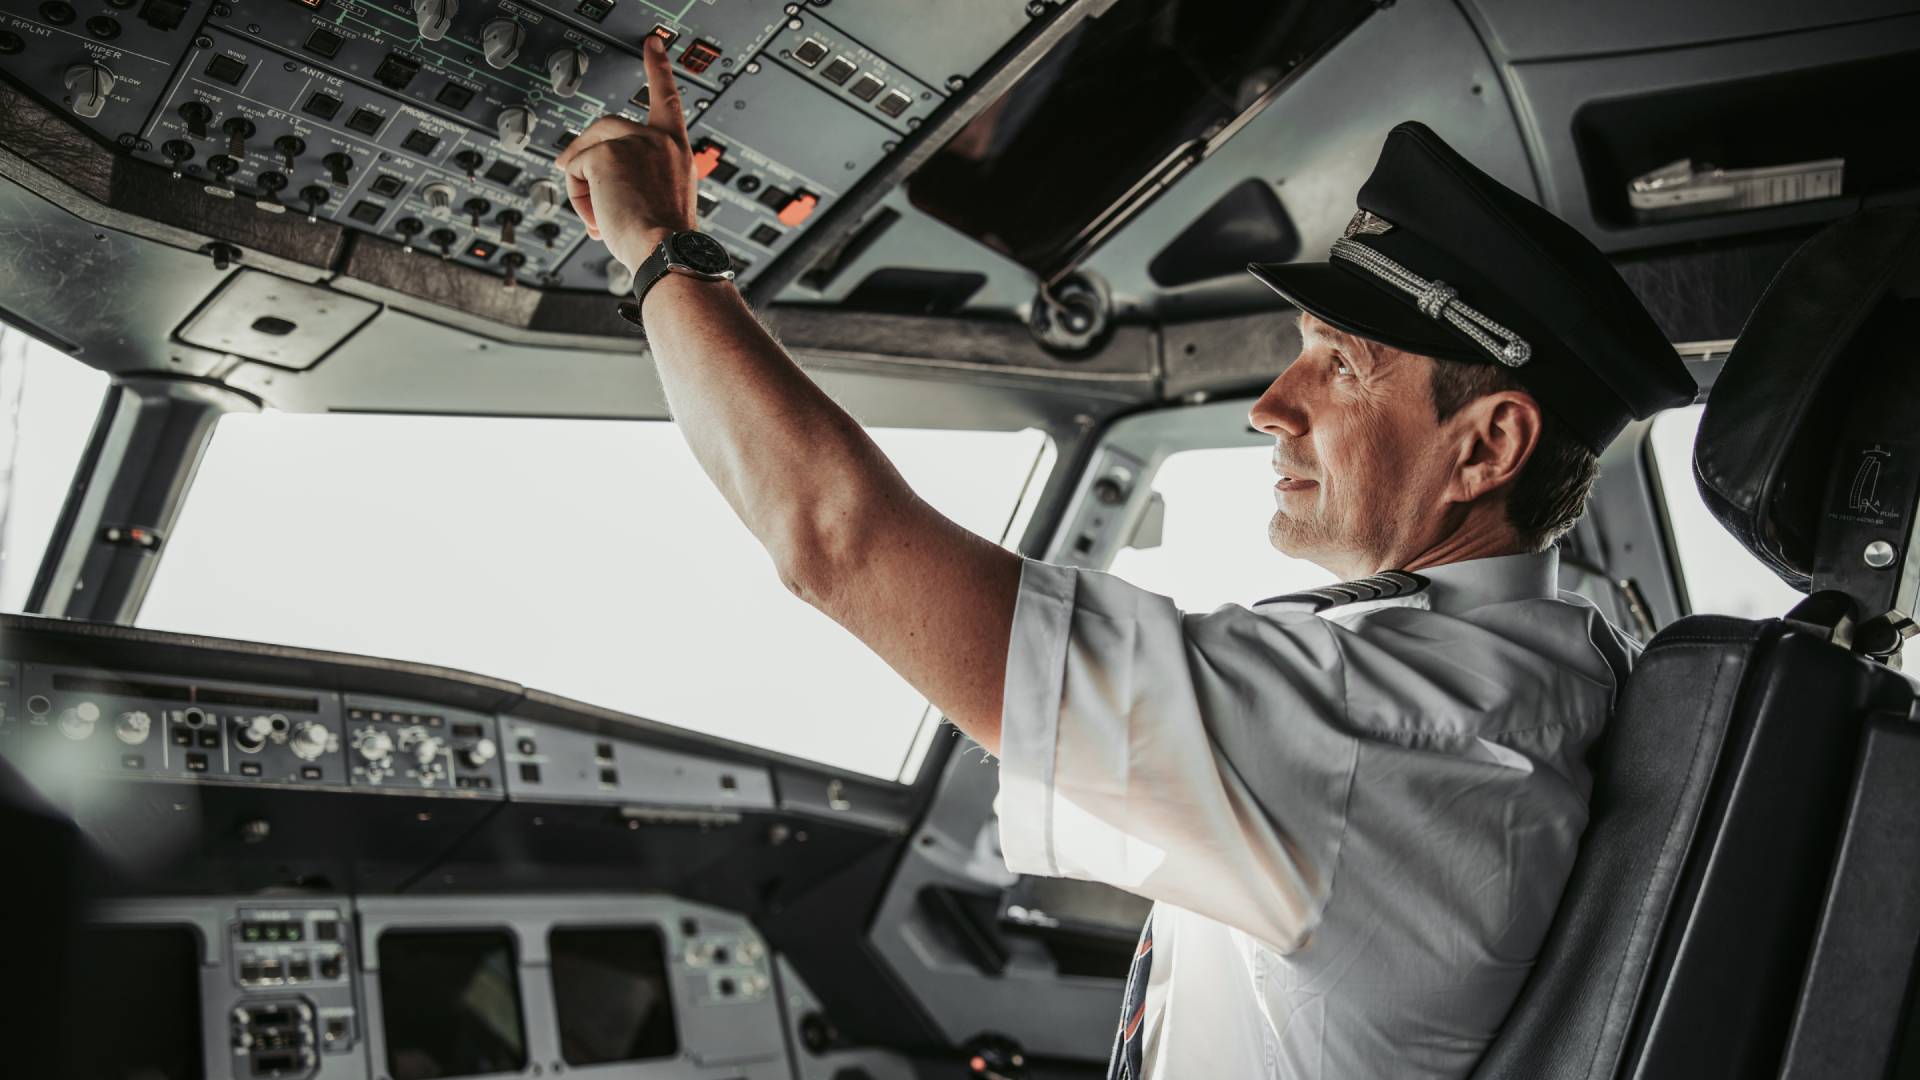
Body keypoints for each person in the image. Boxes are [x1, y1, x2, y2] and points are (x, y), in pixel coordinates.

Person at [555, 37, 1696, 1079]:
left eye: (1340, 367)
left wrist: (659, 250)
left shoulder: (1381, 731)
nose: (1269, 408)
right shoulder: (1550, 661)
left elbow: (836, 539)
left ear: (1488, 445)